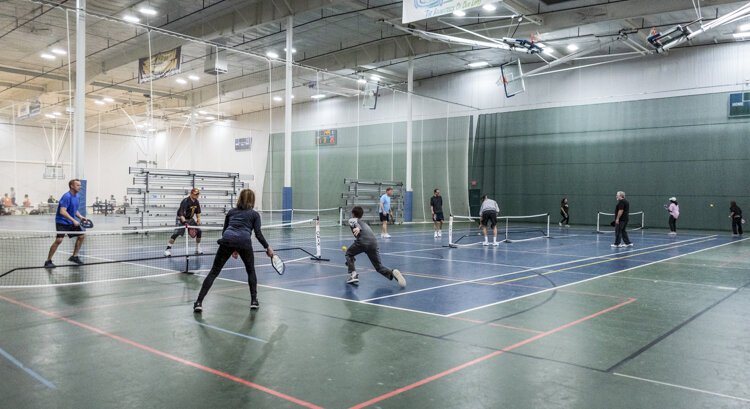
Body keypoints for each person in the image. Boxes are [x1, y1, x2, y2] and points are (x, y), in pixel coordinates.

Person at [193, 189, 273, 313]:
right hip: (244, 242)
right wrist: (267, 248)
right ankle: (253, 301)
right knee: (251, 271)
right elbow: (258, 234)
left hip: (227, 240)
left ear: (240, 198)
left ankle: (198, 302)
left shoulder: (231, 212)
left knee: (214, 272)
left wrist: (233, 247)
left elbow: (224, 231)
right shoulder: (254, 215)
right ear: (252, 200)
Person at [345, 206, 406, 287]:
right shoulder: (365, 224)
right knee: (378, 267)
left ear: (353, 213)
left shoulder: (352, 219)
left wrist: (358, 228)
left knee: (348, 254)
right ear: (361, 215)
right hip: (373, 243)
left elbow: (356, 224)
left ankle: (353, 275)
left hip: (363, 242)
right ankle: (392, 273)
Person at [44, 179, 89, 268]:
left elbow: (74, 210)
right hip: (62, 221)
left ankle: (74, 256)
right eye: (78, 185)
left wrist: (80, 217)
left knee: (81, 236)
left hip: (71, 221)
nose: (80, 187)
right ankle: (48, 261)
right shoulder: (66, 196)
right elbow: (62, 211)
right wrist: (73, 220)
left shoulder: (78, 196)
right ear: (72, 186)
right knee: (59, 240)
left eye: (80, 185)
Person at [164, 188, 203, 256]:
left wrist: (198, 219)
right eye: (195, 194)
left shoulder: (196, 202)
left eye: (198, 194)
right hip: (181, 219)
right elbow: (181, 214)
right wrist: (184, 222)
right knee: (176, 233)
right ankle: (167, 250)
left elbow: (198, 212)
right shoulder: (185, 201)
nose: (197, 195)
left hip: (190, 219)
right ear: (191, 194)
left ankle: (198, 249)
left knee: (199, 231)